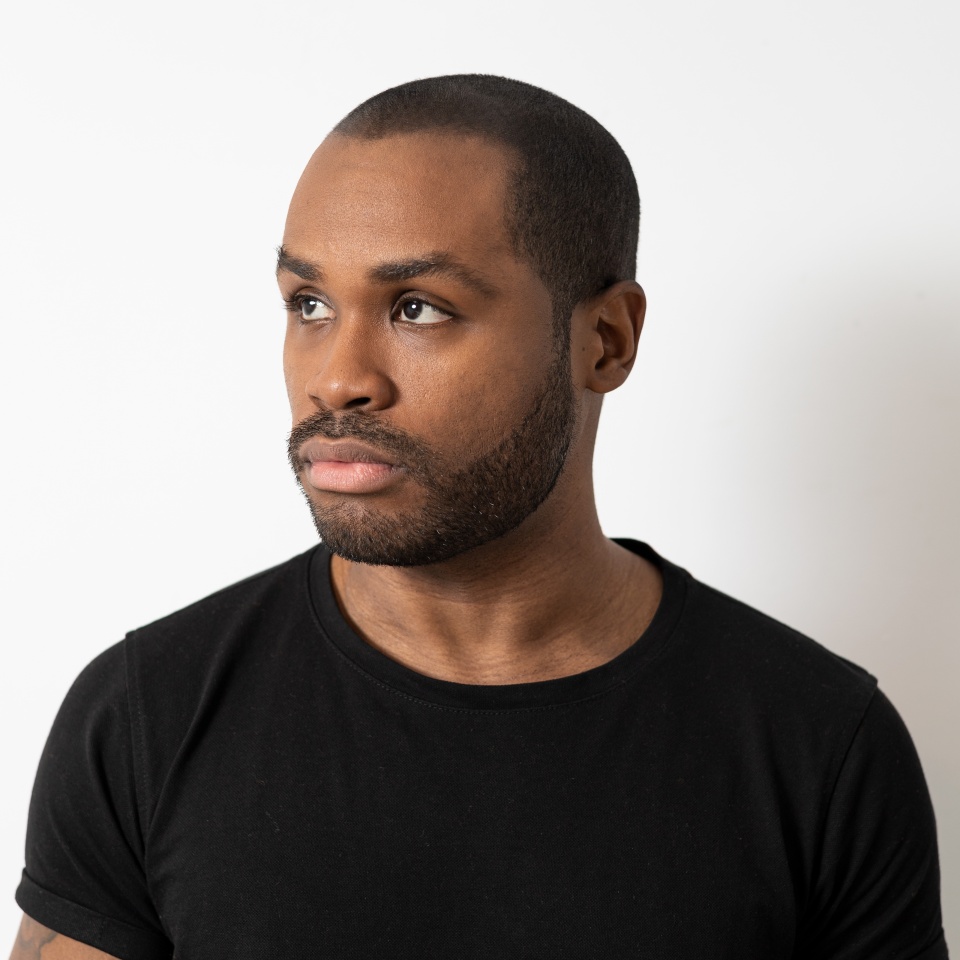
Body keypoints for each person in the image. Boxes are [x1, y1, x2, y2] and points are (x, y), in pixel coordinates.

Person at [9, 75, 948, 960]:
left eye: (418, 308)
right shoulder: (147, 716)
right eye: (309, 303)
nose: (338, 377)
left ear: (607, 340)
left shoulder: (820, 745)